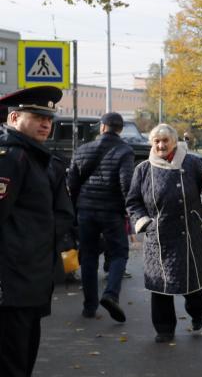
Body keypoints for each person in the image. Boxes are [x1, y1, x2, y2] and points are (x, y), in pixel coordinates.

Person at [0, 87, 75, 376]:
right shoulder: (10, 158)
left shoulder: (41, 159)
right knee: (12, 361)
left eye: (49, 118)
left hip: (32, 279)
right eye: (37, 117)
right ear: (15, 118)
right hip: (11, 282)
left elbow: (61, 215)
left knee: (24, 356)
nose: (46, 124)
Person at [126, 123, 202, 343]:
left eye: (165, 140)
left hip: (189, 233)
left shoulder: (191, 163)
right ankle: (164, 329)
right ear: (151, 143)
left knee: (190, 282)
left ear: (174, 142)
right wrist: (144, 223)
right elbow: (133, 201)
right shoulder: (143, 169)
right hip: (159, 236)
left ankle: (198, 312)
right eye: (157, 141)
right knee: (160, 285)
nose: (161, 145)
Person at [67, 112, 135, 322]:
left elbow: (72, 183)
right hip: (112, 211)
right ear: (120, 129)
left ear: (102, 127)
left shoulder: (82, 149)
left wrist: (77, 207)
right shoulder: (125, 150)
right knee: (119, 253)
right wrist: (128, 211)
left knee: (87, 256)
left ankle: (89, 307)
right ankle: (111, 294)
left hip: (85, 210)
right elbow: (126, 184)